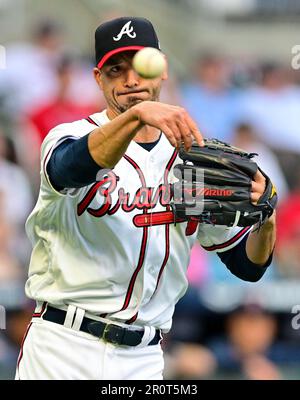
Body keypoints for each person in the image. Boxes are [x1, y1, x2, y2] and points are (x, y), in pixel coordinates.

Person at [15, 16, 276, 380]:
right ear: (97, 78)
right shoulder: (69, 137)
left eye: (140, 67)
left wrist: (266, 216)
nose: (131, 81)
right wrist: (137, 115)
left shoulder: (190, 160)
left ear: (162, 70)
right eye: (116, 70)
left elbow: (246, 265)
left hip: (144, 358)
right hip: (63, 347)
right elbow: (68, 170)